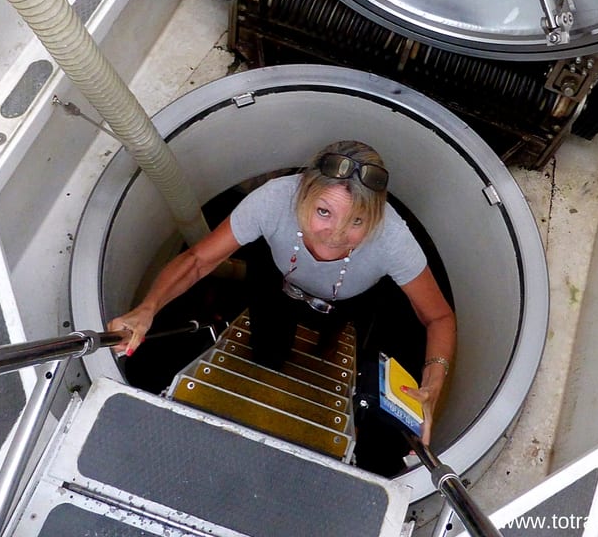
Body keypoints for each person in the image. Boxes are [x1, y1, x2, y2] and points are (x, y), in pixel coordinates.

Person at [109, 140, 456, 446]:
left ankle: (328, 347)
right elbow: (199, 260)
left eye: (357, 221)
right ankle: (271, 361)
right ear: (302, 193)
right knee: (267, 347)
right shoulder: (275, 200)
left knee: (333, 341)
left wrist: (433, 387)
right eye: (324, 212)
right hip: (274, 284)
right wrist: (148, 308)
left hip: (347, 301)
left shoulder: (392, 237)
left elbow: (438, 316)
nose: (335, 235)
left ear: (375, 217)